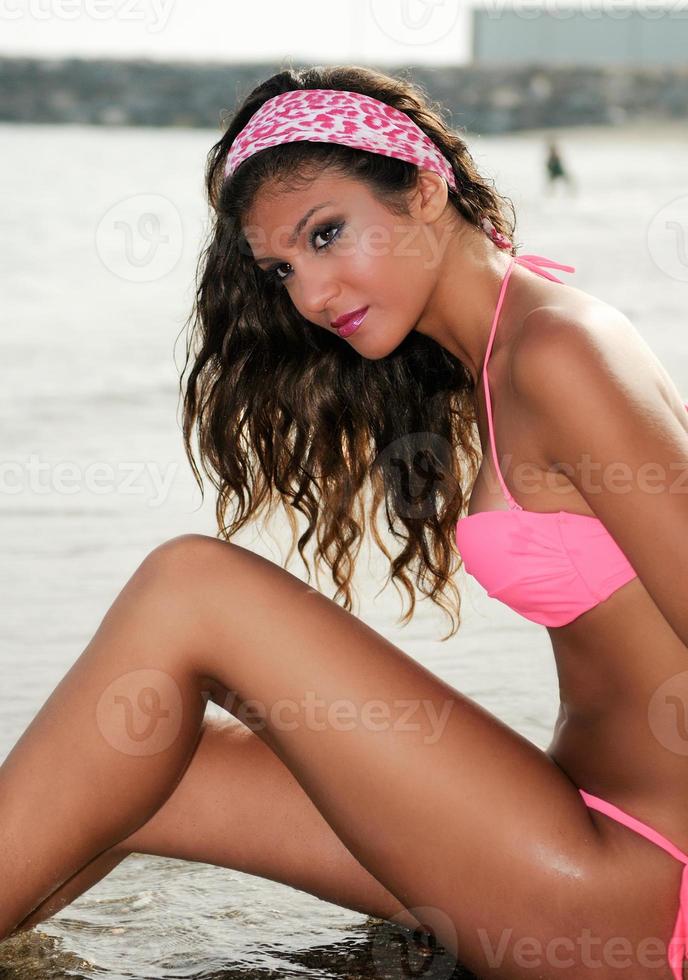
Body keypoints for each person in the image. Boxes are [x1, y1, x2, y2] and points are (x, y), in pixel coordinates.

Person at [2, 64, 688, 980]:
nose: (313, 294)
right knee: (147, 763)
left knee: (191, 586)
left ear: (425, 188)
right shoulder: (496, 355)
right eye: (284, 267)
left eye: (328, 234)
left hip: (635, 891)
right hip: (575, 824)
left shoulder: (561, 348)